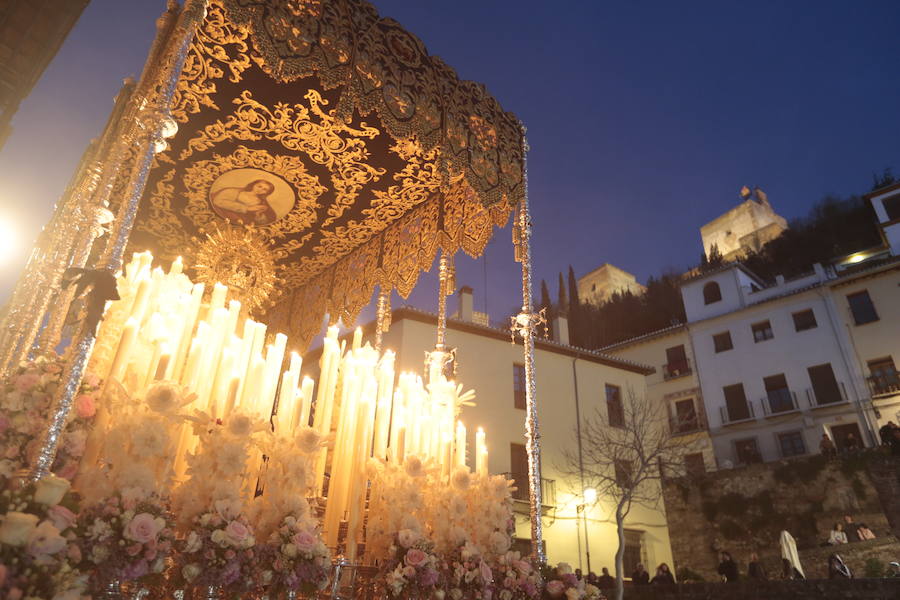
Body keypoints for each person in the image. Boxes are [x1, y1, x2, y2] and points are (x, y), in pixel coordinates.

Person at [211, 179, 278, 225]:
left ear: (267, 193)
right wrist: (247, 208)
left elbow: (264, 223)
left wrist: (259, 215)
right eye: (259, 186)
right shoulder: (234, 191)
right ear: (253, 185)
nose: (260, 190)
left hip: (241, 224)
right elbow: (218, 201)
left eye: (265, 189)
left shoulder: (261, 203)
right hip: (223, 219)